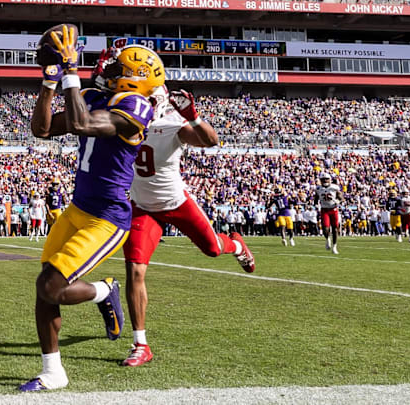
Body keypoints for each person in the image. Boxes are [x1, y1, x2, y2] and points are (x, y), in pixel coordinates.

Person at [19, 33, 164, 392]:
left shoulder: (136, 106)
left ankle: (103, 291)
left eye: (115, 65)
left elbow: (84, 125)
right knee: (46, 290)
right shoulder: (94, 96)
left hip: (107, 218)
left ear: (135, 75)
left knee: (50, 284)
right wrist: (50, 82)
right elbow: (42, 129)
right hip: (77, 208)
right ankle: (54, 372)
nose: (104, 67)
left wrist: (70, 71)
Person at [121, 84, 255, 367]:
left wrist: (193, 116)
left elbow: (210, 141)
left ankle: (235, 244)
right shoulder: (121, 115)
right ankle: (140, 344)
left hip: (175, 203)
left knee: (213, 249)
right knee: (134, 270)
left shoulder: (171, 123)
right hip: (142, 207)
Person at [314, 172, 343, 255]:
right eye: (323, 179)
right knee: (325, 228)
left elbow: (341, 197)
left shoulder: (334, 187)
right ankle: (327, 239)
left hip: (333, 209)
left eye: (326, 179)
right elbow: (316, 199)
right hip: (324, 210)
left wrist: (338, 200)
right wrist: (316, 205)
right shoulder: (318, 188)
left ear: (330, 179)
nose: (325, 180)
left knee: (335, 228)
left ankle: (334, 246)